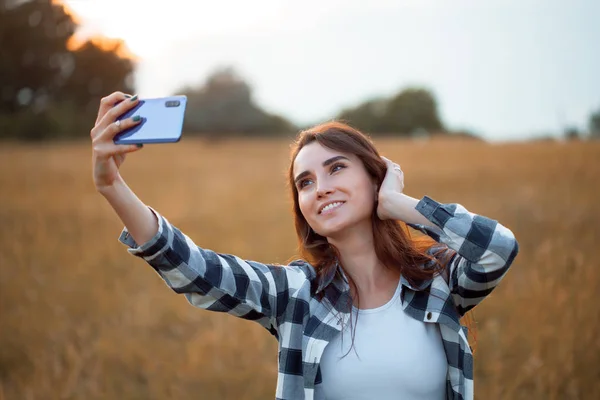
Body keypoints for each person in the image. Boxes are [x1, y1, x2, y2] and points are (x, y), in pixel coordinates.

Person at [91, 91, 519, 400]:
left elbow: (498, 248)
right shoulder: (297, 294)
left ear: (375, 177)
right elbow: (196, 270)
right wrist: (112, 187)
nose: (321, 189)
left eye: (336, 169)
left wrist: (399, 204)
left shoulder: (439, 280)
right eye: (306, 183)